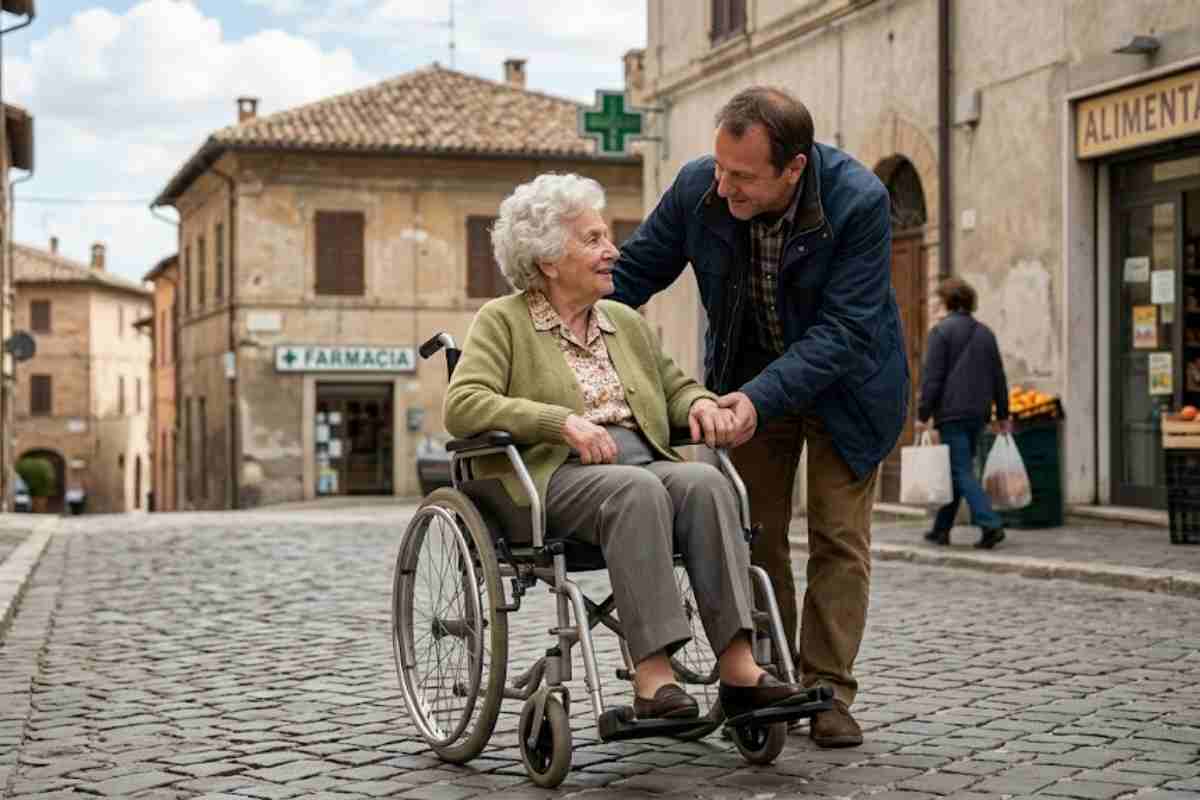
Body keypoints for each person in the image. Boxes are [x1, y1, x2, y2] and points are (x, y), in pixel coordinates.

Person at [444, 173, 806, 722]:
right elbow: (464, 403)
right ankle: (652, 679)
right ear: (547, 261)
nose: (613, 250)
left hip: (642, 464)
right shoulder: (504, 322)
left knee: (706, 482)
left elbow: (673, 387)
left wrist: (700, 406)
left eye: (606, 237)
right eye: (592, 240)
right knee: (636, 491)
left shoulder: (624, 322)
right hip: (552, 477)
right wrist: (558, 421)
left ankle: (739, 670)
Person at [611, 87, 908, 747]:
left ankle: (828, 691)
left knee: (837, 538)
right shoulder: (699, 189)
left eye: (743, 176)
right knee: (753, 534)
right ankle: (768, 679)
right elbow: (631, 275)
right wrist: (547, 320)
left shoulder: (858, 201)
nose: (724, 187)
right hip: (746, 386)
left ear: (794, 169)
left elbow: (845, 330)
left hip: (848, 388)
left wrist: (760, 396)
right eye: (720, 168)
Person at [914, 278, 1010, 549]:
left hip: (952, 413)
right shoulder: (985, 333)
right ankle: (941, 529)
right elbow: (998, 377)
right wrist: (1003, 414)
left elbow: (932, 379)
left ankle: (990, 523)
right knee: (958, 470)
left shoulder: (941, 333)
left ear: (948, 302)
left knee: (960, 470)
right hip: (979, 413)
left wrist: (923, 415)